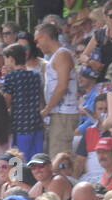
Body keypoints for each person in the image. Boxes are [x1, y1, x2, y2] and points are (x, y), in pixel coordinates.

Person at [37, 21, 81, 157]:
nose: (37, 45)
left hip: (64, 114)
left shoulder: (62, 55)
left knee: (60, 158)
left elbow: (62, 86)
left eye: (38, 40)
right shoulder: (56, 56)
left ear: (45, 36)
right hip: (59, 114)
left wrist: (47, 109)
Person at [2, 43, 47, 158]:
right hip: (37, 124)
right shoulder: (36, 75)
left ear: (11, 59)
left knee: (18, 161)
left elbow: (6, 102)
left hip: (20, 126)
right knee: (37, 159)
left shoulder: (10, 77)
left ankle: (17, 176)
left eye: (6, 60)